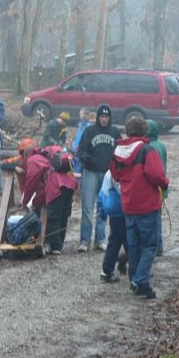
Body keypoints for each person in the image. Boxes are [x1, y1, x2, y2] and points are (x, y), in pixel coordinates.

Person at [110, 117, 169, 300]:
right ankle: (141, 280)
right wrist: (165, 184)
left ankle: (135, 280)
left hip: (128, 205)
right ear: (144, 132)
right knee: (150, 245)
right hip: (146, 204)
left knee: (134, 245)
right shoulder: (147, 150)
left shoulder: (118, 151)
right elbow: (158, 176)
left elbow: (115, 174)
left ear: (128, 131)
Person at [76, 104, 122, 252]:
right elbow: (81, 150)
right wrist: (87, 159)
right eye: (101, 117)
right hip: (90, 172)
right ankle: (85, 240)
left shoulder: (115, 132)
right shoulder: (89, 131)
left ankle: (100, 240)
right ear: (97, 117)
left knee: (103, 208)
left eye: (106, 117)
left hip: (108, 174)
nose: (103, 119)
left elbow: (121, 150)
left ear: (109, 118)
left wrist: (117, 168)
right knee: (87, 208)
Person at [42, 146, 77, 255]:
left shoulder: (46, 155)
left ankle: (55, 246)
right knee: (64, 215)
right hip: (70, 184)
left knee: (54, 216)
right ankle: (60, 242)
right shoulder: (65, 154)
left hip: (57, 185)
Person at [97, 170, 128, 283]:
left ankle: (107, 271)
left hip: (113, 211)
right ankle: (138, 273)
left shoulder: (108, 173)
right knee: (129, 242)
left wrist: (102, 211)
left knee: (114, 241)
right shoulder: (123, 172)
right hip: (123, 211)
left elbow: (102, 193)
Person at [146, 119, 168, 257]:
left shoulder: (149, 147)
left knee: (152, 219)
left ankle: (156, 246)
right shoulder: (161, 145)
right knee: (158, 217)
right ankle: (159, 245)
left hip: (153, 188)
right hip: (162, 186)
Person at [71, 108, 92, 173]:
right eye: (81, 114)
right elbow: (77, 137)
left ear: (88, 115)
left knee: (79, 170)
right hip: (75, 150)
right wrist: (73, 144)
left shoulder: (89, 126)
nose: (82, 116)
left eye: (84, 114)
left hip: (81, 150)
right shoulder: (80, 125)